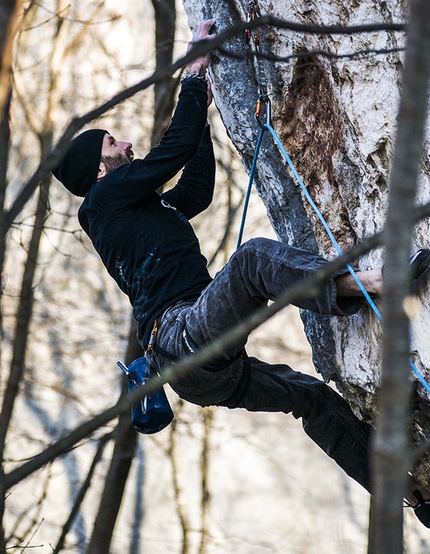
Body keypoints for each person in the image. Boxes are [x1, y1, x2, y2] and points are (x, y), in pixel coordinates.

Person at [52, 19, 430, 527]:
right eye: (113, 145)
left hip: (198, 368)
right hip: (182, 337)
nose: (126, 147)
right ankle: (373, 285)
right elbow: (174, 150)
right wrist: (194, 71)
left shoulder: (138, 212)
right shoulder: (102, 202)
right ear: (100, 171)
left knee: (312, 398)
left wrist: (204, 106)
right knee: (253, 260)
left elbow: (197, 190)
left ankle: (412, 497)